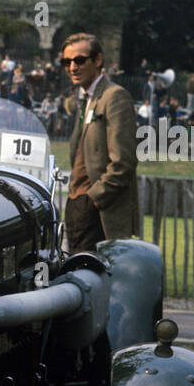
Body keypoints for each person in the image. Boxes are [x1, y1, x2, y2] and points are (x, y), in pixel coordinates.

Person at [62, 32, 139, 252]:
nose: (72, 67)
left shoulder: (115, 96)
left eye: (79, 60)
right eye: (67, 62)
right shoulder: (85, 99)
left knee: (93, 281)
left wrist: (93, 199)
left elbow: (123, 162)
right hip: (77, 205)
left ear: (97, 60)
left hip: (98, 213)